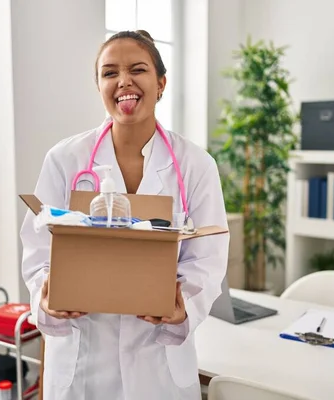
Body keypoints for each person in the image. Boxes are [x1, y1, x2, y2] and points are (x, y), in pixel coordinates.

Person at [20, 30, 229, 400]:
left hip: (158, 365)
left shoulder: (196, 165)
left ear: (161, 83)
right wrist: (47, 298)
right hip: (83, 366)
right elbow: (38, 254)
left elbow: (208, 260)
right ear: (99, 85)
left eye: (138, 69)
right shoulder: (64, 159)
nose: (123, 82)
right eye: (109, 73)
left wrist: (185, 306)